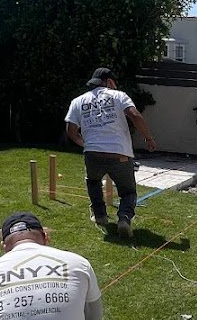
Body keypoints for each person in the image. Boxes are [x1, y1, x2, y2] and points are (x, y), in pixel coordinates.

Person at [65, 67, 156, 239]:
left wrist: (84, 143)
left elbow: (70, 130)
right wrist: (149, 138)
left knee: (93, 182)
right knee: (128, 191)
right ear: (109, 81)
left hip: (92, 154)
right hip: (119, 153)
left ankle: (100, 215)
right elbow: (135, 115)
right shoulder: (119, 96)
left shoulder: (78, 101)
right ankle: (124, 219)